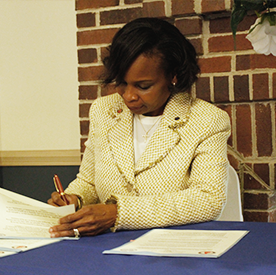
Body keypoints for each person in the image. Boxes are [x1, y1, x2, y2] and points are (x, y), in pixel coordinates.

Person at [48, 17, 231, 238]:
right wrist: (74, 199)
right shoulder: (104, 111)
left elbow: (208, 199)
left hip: (173, 252)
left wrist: (118, 213)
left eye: (143, 86)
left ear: (173, 76)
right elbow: (88, 181)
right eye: (122, 83)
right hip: (104, 248)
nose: (129, 96)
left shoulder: (207, 120)